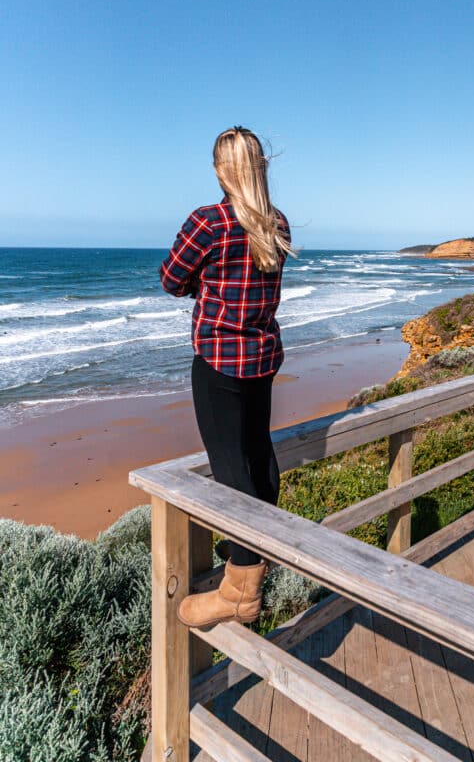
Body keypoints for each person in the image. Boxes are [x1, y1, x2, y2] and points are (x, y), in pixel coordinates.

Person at [158, 126, 292, 628]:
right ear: (260, 168)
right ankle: (256, 548)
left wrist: (201, 283)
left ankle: (240, 586)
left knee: (230, 467)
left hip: (217, 360)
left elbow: (172, 278)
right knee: (259, 455)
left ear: (220, 170)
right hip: (260, 356)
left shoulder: (208, 222)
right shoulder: (276, 223)